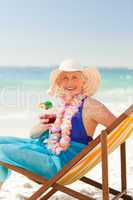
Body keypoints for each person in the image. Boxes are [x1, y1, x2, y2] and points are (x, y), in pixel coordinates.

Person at [0, 59, 117, 190]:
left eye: (75, 77)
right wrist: (44, 125)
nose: (70, 82)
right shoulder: (59, 106)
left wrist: (96, 150)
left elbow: (117, 130)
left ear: (83, 81)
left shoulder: (93, 107)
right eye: (64, 78)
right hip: (43, 149)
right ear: (59, 82)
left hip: (59, 165)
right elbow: (33, 135)